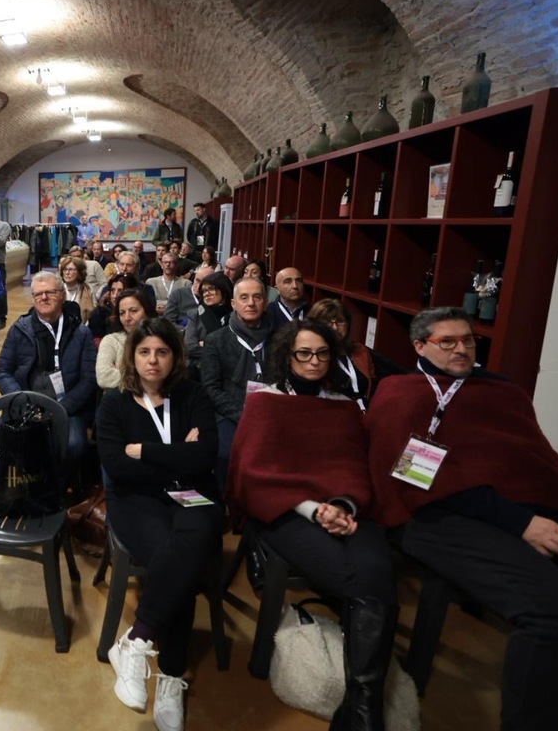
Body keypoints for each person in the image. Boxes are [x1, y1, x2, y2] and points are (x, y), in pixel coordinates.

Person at [366, 307, 558, 731]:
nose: (461, 349)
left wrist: (541, 514)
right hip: (432, 517)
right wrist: (521, 523)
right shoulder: (401, 394)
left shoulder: (501, 391)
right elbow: (410, 480)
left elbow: (529, 461)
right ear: (419, 346)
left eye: (468, 340)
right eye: (447, 342)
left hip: (509, 511)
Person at [229, 319, 397, 730]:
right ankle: (366, 708)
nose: (314, 361)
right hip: (285, 512)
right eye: (304, 353)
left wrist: (342, 505)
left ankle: (361, 703)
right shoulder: (265, 402)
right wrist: (314, 510)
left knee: (377, 571)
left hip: (346, 507)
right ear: (287, 355)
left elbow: (354, 466)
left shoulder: (344, 406)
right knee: (365, 582)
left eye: (322, 353)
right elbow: (251, 474)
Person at [97, 317, 222, 731]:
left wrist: (145, 451)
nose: (153, 360)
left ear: (175, 356)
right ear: (132, 357)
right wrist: (177, 456)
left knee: (188, 542)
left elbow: (206, 455)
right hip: (137, 500)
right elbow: (117, 466)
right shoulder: (114, 404)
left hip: (191, 494)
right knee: (179, 560)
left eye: (162, 352)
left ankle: (136, 641)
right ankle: (172, 672)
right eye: (145, 352)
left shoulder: (193, 394)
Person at [0, 271, 97, 485]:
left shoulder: (80, 333)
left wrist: (60, 409)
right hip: (26, 405)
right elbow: (2, 371)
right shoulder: (20, 330)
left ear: (62, 296)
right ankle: (27, 487)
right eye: (38, 294)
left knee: (74, 445)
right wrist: (23, 402)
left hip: (67, 407)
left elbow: (88, 379)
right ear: (33, 298)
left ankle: (59, 489)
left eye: (50, 292)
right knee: (9, 442)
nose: (44, 298)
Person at [201, 276, 271, 489]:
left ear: (265, 303)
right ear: (233, 303)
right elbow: (211, 387)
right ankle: (228, 500)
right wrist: (243, 414)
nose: (251, 303)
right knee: (227, 453)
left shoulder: (278, 338)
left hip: (270, 409)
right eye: (244, 297)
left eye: (257, 297)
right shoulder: (216, 340)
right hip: (230, 412)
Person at [307, 298, 406, 408]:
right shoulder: (312, 357)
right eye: (327, 322)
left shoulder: (360, 351)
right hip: (333, 412)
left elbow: (374, 385)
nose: (335, 327)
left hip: (365, 411)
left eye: (340, 321)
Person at [96, 289, 155, 390]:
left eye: (134, 311)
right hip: (118, 398)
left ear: (147, 311)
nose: (127, 318)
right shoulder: (111, 341)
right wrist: (150, 378)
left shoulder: (159, 340)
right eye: (122, 313)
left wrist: (121, 373)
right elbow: (104, 377)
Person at [183, 272, 233, 379]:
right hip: (198, 370)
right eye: (204, 291)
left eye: (211, 289)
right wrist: (218, 352)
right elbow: (190, 347)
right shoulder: (196, 314)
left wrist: (205, 344)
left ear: (224, 290)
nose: (206, 294)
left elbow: (235, 349)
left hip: (230, 371)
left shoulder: (235, 316)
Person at [88, 274, 137, 341]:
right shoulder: (100, 314)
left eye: (120, 291)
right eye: (113, 291)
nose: (115, 296)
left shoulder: (138, 312)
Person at [58, 255, 95, 324]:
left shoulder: (88, 290)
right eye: (65, 269)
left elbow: (93, 315)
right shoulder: (57, 290)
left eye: (71, 270)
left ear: (79, 272)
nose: (67, 273)